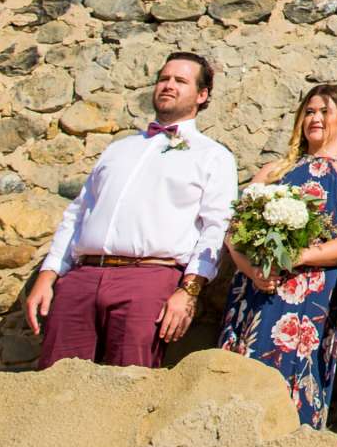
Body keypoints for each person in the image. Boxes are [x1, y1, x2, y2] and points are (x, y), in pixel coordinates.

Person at [26, 51, 236, 369]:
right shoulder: (118, 149)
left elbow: (215, 228)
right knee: (53, 381)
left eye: (180, 81)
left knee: (128, 387)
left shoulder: (213, 156)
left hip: (149, 280)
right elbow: (78, 213)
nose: (168, 86)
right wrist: (48, 275)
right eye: (164, 79)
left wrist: (188, 292)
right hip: (81, 279)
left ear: (202, 95)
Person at [218, 82, 337, 425]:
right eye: (309, 112)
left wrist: (298, 256)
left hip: (309, 296)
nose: (315, 118)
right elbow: (233, 234)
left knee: (293, 381)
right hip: (259, 288)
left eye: (324, 112)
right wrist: (252, 270)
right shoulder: (274, 171)